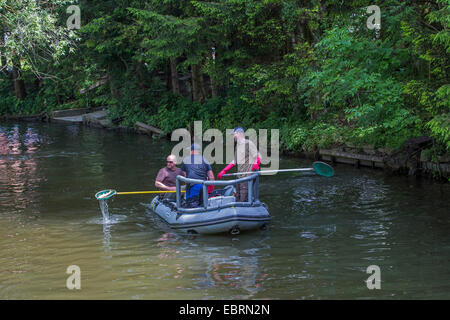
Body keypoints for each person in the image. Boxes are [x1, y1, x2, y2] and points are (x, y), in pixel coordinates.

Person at [217, 127, 261, 202]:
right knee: (237, 198)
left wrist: (255, 165)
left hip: (247, 177)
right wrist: (224, 170)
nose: (234, 136)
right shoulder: (238, 145)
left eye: (234, 134)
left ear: (239, 133)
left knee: (244, 199)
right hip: (239, 177)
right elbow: (235, 161)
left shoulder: (248, 143)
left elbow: (258, 156)